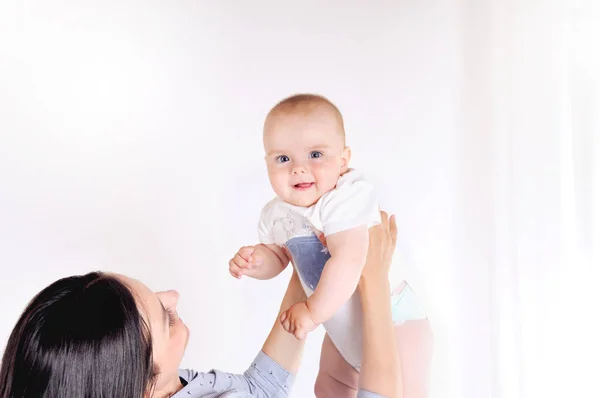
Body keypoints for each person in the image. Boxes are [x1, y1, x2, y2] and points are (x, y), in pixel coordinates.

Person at [0, 212, 401, 398]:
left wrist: (307, 265)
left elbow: (258, 390)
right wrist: (374, 282)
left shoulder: (168, 386)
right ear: (141, 385)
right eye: (164, 316)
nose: (173, 297)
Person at [229, 94, 433, 397]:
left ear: (343, 160)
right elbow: (279, 257)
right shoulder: (276, 213)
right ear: (267, 163)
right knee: (329, 385)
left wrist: (311, 313)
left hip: (395, 320)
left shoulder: (345, 196)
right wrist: (257, 261)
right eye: (283, 159)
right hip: (342, 328)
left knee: (406, 391)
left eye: (315, 155)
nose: (299, 169)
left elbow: (348, 260)